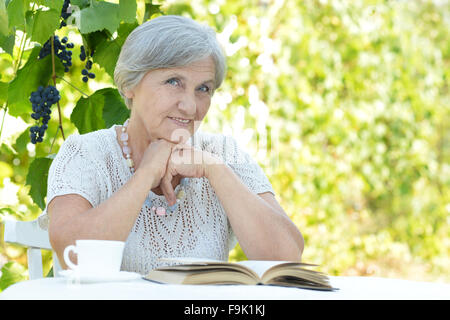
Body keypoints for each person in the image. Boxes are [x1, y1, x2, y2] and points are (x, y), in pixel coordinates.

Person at [46, 15, 304, 274]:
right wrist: (146, 174)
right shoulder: (85, 153)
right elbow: (75, 255)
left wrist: (214, 170)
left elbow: (286, 259)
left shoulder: (223, 154)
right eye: (173, 82)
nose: (190, 106)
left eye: (203, 88)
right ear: (129, 85)